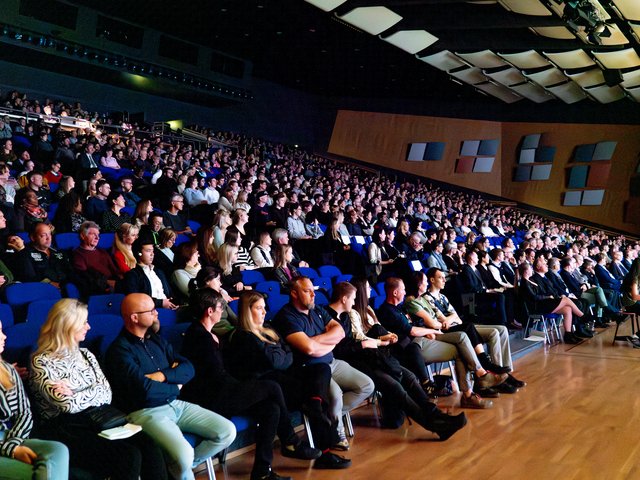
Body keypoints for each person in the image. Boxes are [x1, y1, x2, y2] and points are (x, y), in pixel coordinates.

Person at [181, 288, 321, 480]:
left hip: (223, 390)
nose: (222, 311)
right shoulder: (197, 336)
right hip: (210, 398)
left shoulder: (209, 333)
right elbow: (214, 377)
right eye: (220, 308)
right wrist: (241, 386)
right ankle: (290, 440)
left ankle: (262, 471)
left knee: (271, 408)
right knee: (272, 387)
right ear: (209, 311)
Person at [29, 299, 167, 479]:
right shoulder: (41, 361)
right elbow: (66, 405)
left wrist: (76, 392)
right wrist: (92, 391)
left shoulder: (86, 354)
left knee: (150, 446)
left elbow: (107, 393)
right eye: (84, 322)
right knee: (128, 455)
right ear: (68, 326)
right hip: (67, 428)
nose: (89, 327)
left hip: (101, 418)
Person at [105, 293, 236, 480]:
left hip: (176, 405)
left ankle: (179, 467)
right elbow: (145, 390)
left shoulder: (156, 340)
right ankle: (181, 466)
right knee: (183, 454)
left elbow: (189, 368)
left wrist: (162, 375)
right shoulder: (119, 351)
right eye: (150, 310)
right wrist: (175, 386)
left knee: (227, 432)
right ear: (134, 317)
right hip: (146, 412)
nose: (156, 313)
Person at [329, 280, 467, 439]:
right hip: (358, 362)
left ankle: (438, 416)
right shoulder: (341, 316)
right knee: (395, 386)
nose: (354, 301)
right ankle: (435, 425)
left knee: (409, 376)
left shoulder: (347, 315)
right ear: (345, 298)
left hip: (371, 356)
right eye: (352, 298)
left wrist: (376, 341)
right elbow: (349, 345)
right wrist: (372, 343)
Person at [229, 291, 351, 470]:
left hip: (283, 379)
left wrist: (278, 351)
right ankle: (324, 453)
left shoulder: (268, 328)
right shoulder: (243, 336)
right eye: (259, 308)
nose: (264, 312)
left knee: (321, 369)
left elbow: (289, 356)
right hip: (268, 388)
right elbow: (275, 361)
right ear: (247, 311)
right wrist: (279, 351)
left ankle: (315, 405)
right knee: (311, 396)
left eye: (264, 308)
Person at [272, 276, 375, 450]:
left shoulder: (318, 310)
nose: (313, 294)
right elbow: (309, 350)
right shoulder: (286, 316)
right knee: (335, 397)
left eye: (313, 290)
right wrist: (327, 342)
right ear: (294, 293)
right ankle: (335, 433)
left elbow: (340, 332)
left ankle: (329, 418)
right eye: (307, 291)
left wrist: (318, 341)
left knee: (367, 385)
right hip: (312, 369)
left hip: (332, 361)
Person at [377, 277, 501, 409]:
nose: (405, 292)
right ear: (395, 293)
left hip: (422, 339)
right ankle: (474, 386)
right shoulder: (387, 311)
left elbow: (414, 325)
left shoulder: (399, 308)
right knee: (461, 342)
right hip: (414, 347)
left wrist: (426, 331)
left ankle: (472, 389)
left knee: (462, 340)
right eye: (403, 290)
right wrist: (429, 330)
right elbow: (411, 331)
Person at [0, 320, 70, 480]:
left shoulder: (8, 369)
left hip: (10, 436)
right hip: (5, 443)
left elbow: (24, 412)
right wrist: (10, 450)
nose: (4, 336)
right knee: (42, 473)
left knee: (58, 450)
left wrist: (13, 442)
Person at [518, 262, 586, 345]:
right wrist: (548, 297)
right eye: (530, 268)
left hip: (542, 303)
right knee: (566, 300)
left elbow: (539, 293)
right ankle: (583, 316)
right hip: (536, 307)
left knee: (567, 309)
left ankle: (568, 335)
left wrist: (548, 296)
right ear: (526, 271)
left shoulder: (529, 280)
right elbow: (534, 297)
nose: (532, 270)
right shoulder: (524, 283)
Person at [124, 234, 178, 309]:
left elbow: (170, 292)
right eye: (148, 251)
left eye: (153, 251)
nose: (152, 254)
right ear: (139, 253)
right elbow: (136, 298)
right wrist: (161, 303)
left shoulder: (159, 272)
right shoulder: (133, 275)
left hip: (168, 308)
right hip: (150, 310)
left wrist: (174, 302)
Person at [71, 221, 122, 296]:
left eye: (98, 234)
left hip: (115, 284)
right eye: (93, 234)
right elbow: (86, 278)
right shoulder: (78, 255)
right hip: (98, 289)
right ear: (82, 236)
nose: (97, 238)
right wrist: (108, 282)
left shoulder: (102, 251)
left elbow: (114, 270)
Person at [15, 222, 71, 287]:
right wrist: (49, 284)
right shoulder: (25, 254)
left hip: (66, 286)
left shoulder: (58, 251)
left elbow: (70, 271)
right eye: (43, 235)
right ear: (33, 237)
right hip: (43, 289)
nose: (48, 238)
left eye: (50, 234)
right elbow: (30, 278)